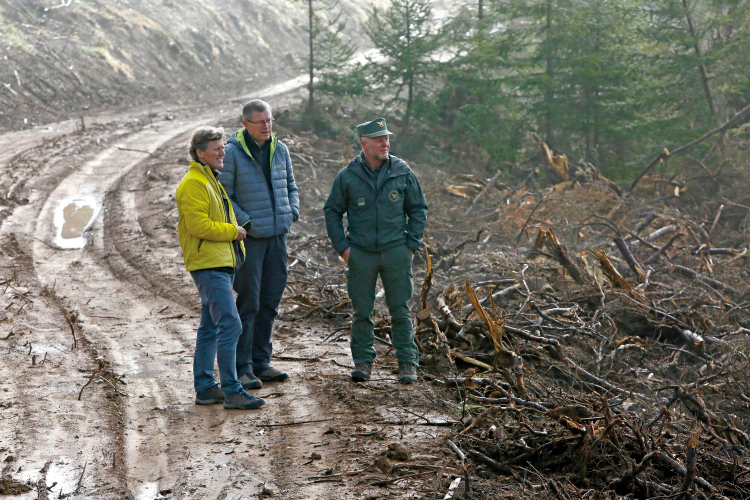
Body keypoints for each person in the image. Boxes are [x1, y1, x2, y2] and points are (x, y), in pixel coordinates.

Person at [324, 118, 428, 384]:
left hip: (396, 251)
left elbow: (418, 209)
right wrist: (344, 249)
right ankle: (363, 363)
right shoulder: (348, 176)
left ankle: (407, 363)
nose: (385, 143)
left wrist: (411, 245)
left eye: (387, 138)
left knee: (400, 310)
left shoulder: (402, 171)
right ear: (364, 143)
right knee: (362, 310)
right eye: (379, 139)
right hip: (361, 253)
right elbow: (333, 212)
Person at [176, 126, 265, 410]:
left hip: (219, 264)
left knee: (211, 326)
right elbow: (198, 226)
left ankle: (205, 389)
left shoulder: (209, 180)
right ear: (200, 153)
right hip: (209, 265)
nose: (222, 152)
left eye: (222, 147)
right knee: (230, 323)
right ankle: (232, 390)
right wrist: (233, 231)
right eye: (216, 149)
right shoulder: (193, 183)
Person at [219, 100, 299, 389]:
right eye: (260, 121)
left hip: (278, 238)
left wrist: (292, 212)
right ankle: (243, 367)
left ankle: (262, 362)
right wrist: (247, 224)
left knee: (270, 302)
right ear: (245, 124)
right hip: (250, 242)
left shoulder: (281, 149)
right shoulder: (232, 154)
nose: (267, 126)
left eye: (269, 120)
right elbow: (224, 195)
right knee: (249, 303)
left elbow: (291, 185)